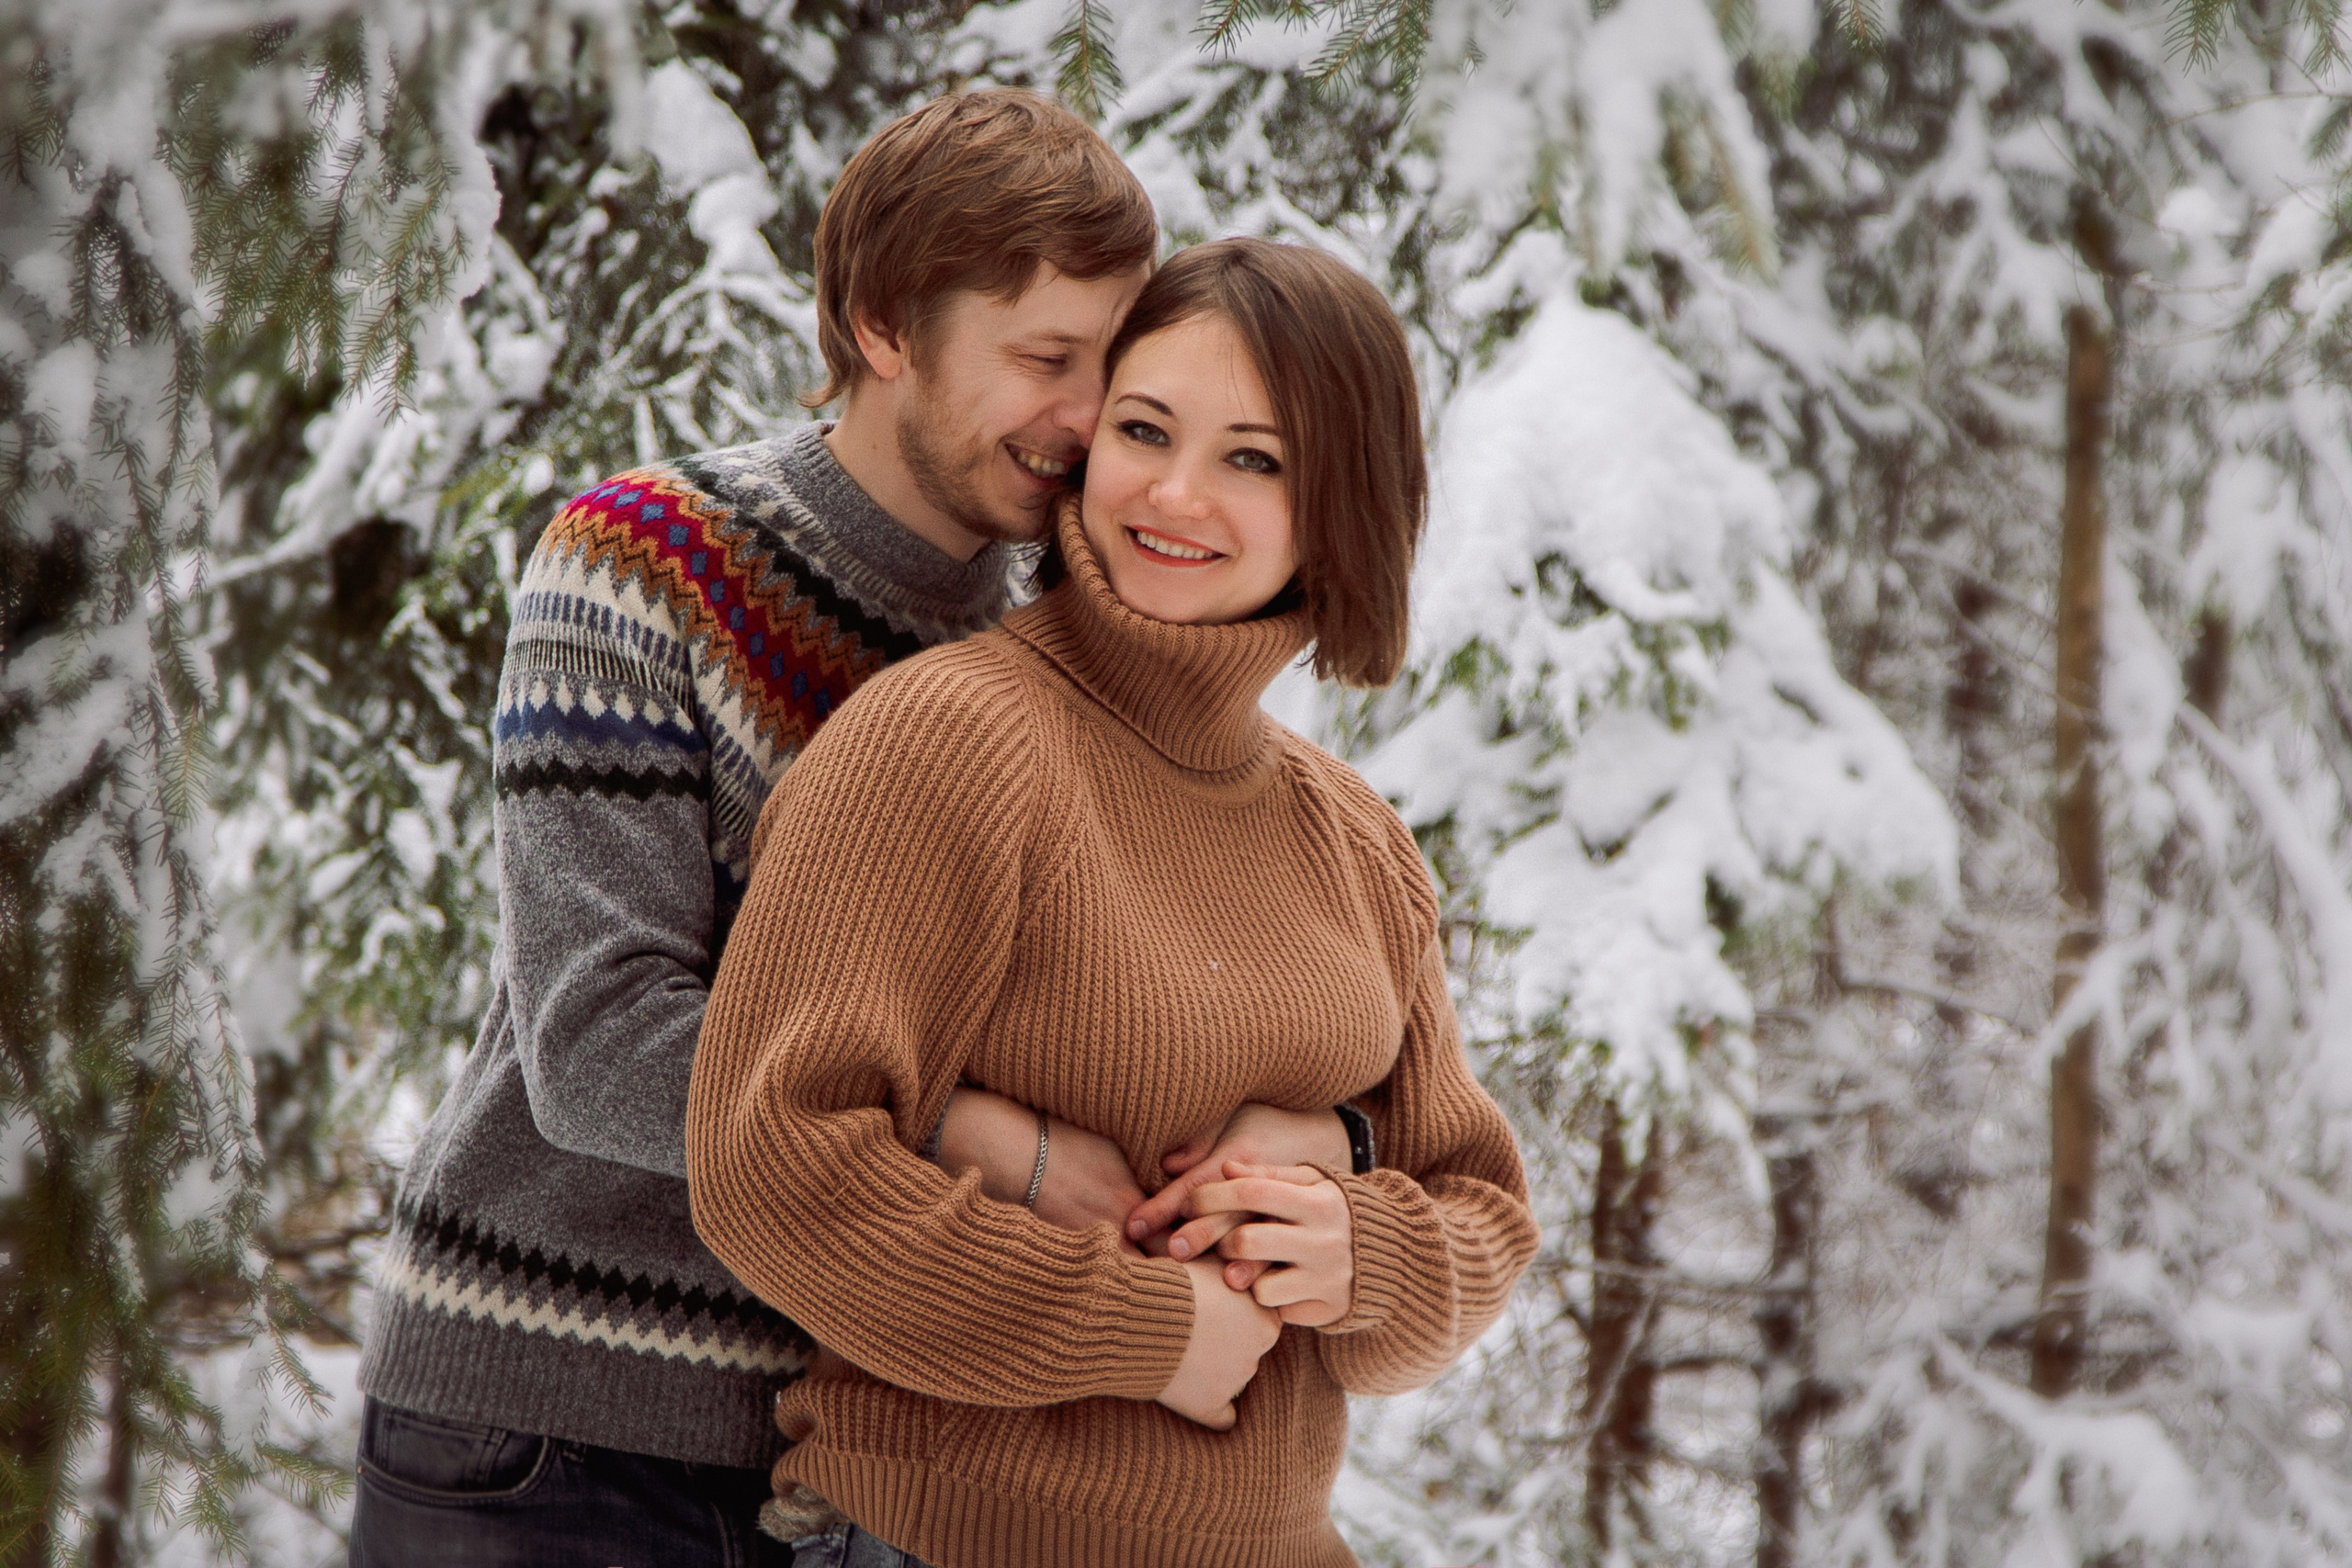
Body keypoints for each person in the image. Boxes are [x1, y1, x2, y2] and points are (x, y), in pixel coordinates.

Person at [350, 95, 1355, 1565]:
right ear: (887, 325)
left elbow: (1164, 990)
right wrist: (984, 1141)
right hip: (560, 1422)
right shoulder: (648, 560)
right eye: (1043, 360)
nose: (1085, 424)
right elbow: (600, 1043)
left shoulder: (1051, 649)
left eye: (1110, 367)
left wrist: (1329, 1130)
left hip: (854, 1472)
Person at [689, 238, 1540, 1568]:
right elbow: (773, 1167)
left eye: (1255, 459)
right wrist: (1144, 1332)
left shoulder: (1356, 840)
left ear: (1341, 503)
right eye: (1146, 429)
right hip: (949, 1540)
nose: (1179, 493)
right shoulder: (951, 742)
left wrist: (1359, 1243)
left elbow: (1480, 1202)